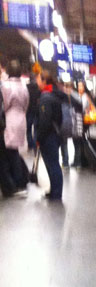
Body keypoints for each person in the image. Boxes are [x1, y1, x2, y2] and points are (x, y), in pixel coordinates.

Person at [1, 59, 29, 197]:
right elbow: (26, 104)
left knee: (9, 155)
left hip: (10, 120)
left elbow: (4, 105)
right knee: (14, 152)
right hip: (21, 120)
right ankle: (19, 182)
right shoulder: (24, 86)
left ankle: (17, 184)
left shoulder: (5, 86)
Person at [36, 69, 64, 201]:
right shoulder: (53, 95)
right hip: (54, 134)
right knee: (52, 164)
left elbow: (44, 121)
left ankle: (56, 193)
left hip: (49, 136)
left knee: (52, 164)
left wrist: (39, 137)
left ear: (44, 80)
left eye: (38, 79)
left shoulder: (46, 98)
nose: (36, 81)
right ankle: (54, 190)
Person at [26, 64, 41, 151]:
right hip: (37, 110)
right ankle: (35, 145)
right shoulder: (39, 88)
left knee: (28, 129)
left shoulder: (26, 87)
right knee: (36, 129)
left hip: (29, 110)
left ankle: (30, 144)